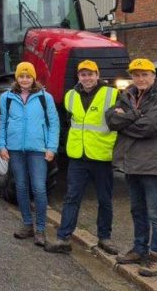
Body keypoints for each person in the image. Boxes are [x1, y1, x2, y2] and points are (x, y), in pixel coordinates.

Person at [106, 58, 157, 277]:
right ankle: (139, 249)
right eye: (136, 74)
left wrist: (126, 121)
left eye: (145, 74)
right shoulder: (127, 95)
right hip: (132, 163)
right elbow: (110, 120)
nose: (140, 78)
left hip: (154, 164)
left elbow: (150, 127)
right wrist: (134, 116)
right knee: (138, 211)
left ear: (153, 76)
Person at [45, 60, 119, 255]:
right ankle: (63, 238)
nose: (87, 78)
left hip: (101, 156)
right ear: (78, 76)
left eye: (90, 74)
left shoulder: (112, 94)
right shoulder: (70, 96)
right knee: (72, 197)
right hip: (78, 156)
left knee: (105, 199)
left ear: (97, 74)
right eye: (83, 75)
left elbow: (119, 121)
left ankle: (105, 237)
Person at [0, 62, 59, 247]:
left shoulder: (44, 98)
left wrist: (51, 148)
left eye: (28, 76)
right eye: (21, 76)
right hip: (15, 149)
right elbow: (2, 123)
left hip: (38, 150)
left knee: (39, 188)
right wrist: (2, 145)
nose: (24, 80)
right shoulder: (6, 98)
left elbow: (53, 124)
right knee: (21, 187)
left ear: (33, 78)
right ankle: (27, 224)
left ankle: (40, 228)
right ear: (17, 78)